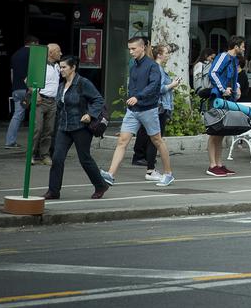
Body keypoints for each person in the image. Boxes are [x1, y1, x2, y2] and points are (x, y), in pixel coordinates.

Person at [100, 36, 175, 187]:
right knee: (122, 141)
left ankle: (168, 174)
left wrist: (137, 97)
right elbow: (132, 87)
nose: (131, 52)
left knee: (157, 141)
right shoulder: (134, 65)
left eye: (134, 49)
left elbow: (154, 86)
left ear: (143, 47)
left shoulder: (153, 66)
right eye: (129, 49)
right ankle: (110, 174)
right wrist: (132, 99)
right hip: (133, 110)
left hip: (148, 109)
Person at [44, 56, 109, 200]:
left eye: (64, 67)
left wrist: (90, 115)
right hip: (64, 127)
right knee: (57, 158)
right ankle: (53, 190)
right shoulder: (61, 86)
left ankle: (100, 185)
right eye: (60, 67)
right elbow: (61, 107)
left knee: (84, 158)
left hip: (81, 127)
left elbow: (98, 100)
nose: (61, 70)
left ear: (73, 68)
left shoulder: (83, 83)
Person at [133, 45, 180, 181]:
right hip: (159, 107)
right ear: (159, 55)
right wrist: (172, 85)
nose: (168, 55)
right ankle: (151, 169)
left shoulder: (155, 68)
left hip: (158, 106)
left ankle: (150, 168)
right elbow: (158, 89)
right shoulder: (157, 68)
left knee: (154, 139)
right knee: (156, 140)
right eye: (166, 53)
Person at [206, 36, 250, 177]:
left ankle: (219, 164)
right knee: (214, 132)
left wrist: (236, 88)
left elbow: (233, 79)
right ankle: (212, 165)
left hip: (227, 100)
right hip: (218, 99)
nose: (244, 48)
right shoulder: (223, 56)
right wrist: (223, 88)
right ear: (236, 46)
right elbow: (213, 73)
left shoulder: (234, 60)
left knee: (221, 132)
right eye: (242, 46)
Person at [5, 35, 39, 149]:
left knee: (17, 115)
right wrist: (31, 87)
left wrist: (14, 87)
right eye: (37, 45)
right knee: (37, 114)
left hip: (16, 89)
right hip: (28, 89)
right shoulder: (32, 54)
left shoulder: (15, 55)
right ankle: (35, 144)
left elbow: (12, 73)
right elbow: (33, 71)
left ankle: (10, 141)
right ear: (33, 43)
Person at [32, 43, 63, 165]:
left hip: (52, 101)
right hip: (40, 100)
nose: (60, 53)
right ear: (50, 53)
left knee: (49, 130)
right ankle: (31, 154)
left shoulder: (56, 66)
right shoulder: (41, 65)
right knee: (37, 128)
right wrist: (37, 94)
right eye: (58, 51)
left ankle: (44, 155)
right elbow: (27, 81)